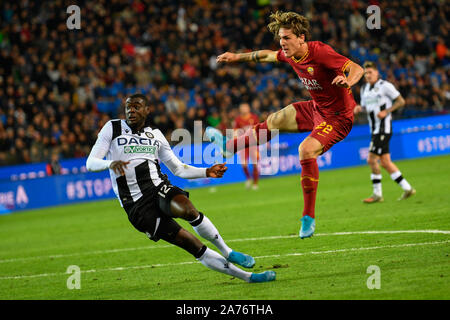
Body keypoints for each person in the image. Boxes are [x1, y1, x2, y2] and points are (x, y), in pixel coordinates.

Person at [206, 11, 364, 239]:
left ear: (301, 37)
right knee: (275, 120)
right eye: (281, 38)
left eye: (287, 37)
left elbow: (356, 68)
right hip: (316, 108)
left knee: (305, 150)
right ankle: (230, 147)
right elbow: (267, 56)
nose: (282, 42)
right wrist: (236, 57)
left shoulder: (320, 52)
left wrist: (347, 80)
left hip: (338, 117)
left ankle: (308, 217)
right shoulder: (291, 55)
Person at [86, 94, 276, 283]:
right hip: (137, 206)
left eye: (136, 106)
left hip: (158, 187)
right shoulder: (113, 128)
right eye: (128, 107)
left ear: (147, 110)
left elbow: (178, 168)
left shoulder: (156, 135)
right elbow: (91, 162)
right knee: (193, 245)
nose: (131, 110)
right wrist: (109, 163)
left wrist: (206, 172)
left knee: (188, 209)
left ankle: (228, 251)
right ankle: (248, 277)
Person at [354, 61, 416, 202]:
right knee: (386, 162)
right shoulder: (364, 89)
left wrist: (386, 111)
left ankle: (377, 194)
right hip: (374, 130)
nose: (368, 75)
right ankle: (408, 189)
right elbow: (366, 107)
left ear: (377, 72)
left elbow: (401, 101)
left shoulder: (385, 86)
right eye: (366, 73)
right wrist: (359, 109)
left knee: (371, 159)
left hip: (384, 129)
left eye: (370, 72)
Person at [234, 103, 260, 190]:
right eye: (242, 108)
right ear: (240, 109)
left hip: (253, 144)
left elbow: (259, 128)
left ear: (248, 108)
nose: (244, 109)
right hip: (243, 145)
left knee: (255, 164)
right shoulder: (238, 120)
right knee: (244, 164)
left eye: (245, 107)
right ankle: (248, 179)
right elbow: (235, 131)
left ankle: (255, 184)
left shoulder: (254, 117)